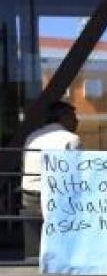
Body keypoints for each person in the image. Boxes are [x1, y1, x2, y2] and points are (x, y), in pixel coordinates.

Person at [21, 101, 81, 258]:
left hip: (29, 196)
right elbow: (78, 173)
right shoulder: (71, 139)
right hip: (55, 199)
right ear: (63, 118)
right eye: (74, 117)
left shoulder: (33, 136)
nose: (77, 121)